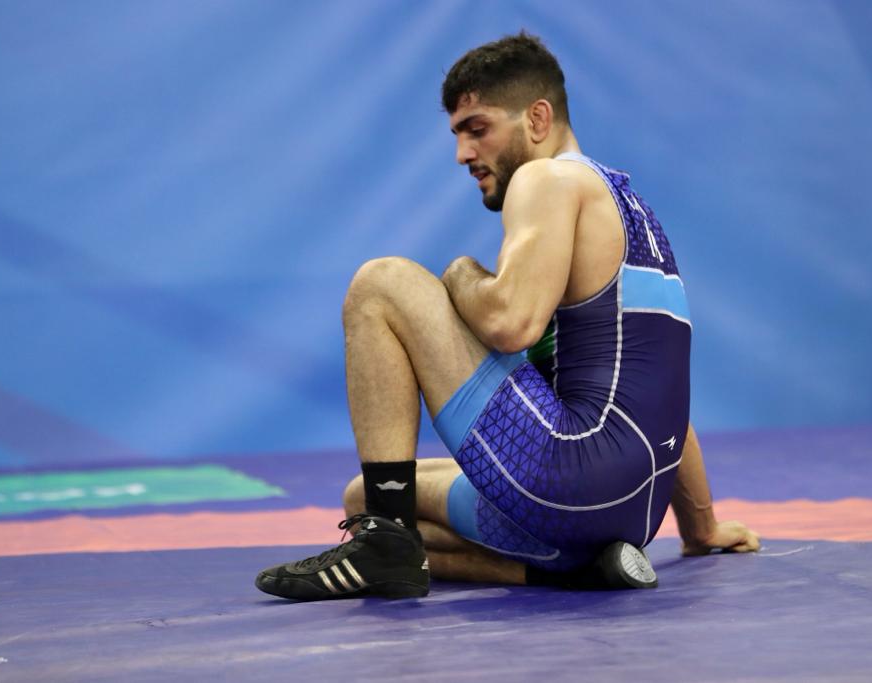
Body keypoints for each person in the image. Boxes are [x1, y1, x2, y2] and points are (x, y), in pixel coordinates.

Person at [256, 32, 759, 601]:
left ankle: (384, 550)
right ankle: (564, 569)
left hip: (572, 478)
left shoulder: (548, 180)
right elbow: (663, 396)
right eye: (457, 134)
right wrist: (701, 529)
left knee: (381, 285)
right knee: (367, 497)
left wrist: (461, 273)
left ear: (537, 119)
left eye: (478, 129)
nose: (462, 154)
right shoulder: (632, 213)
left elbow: (510, 325)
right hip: (631, 512)